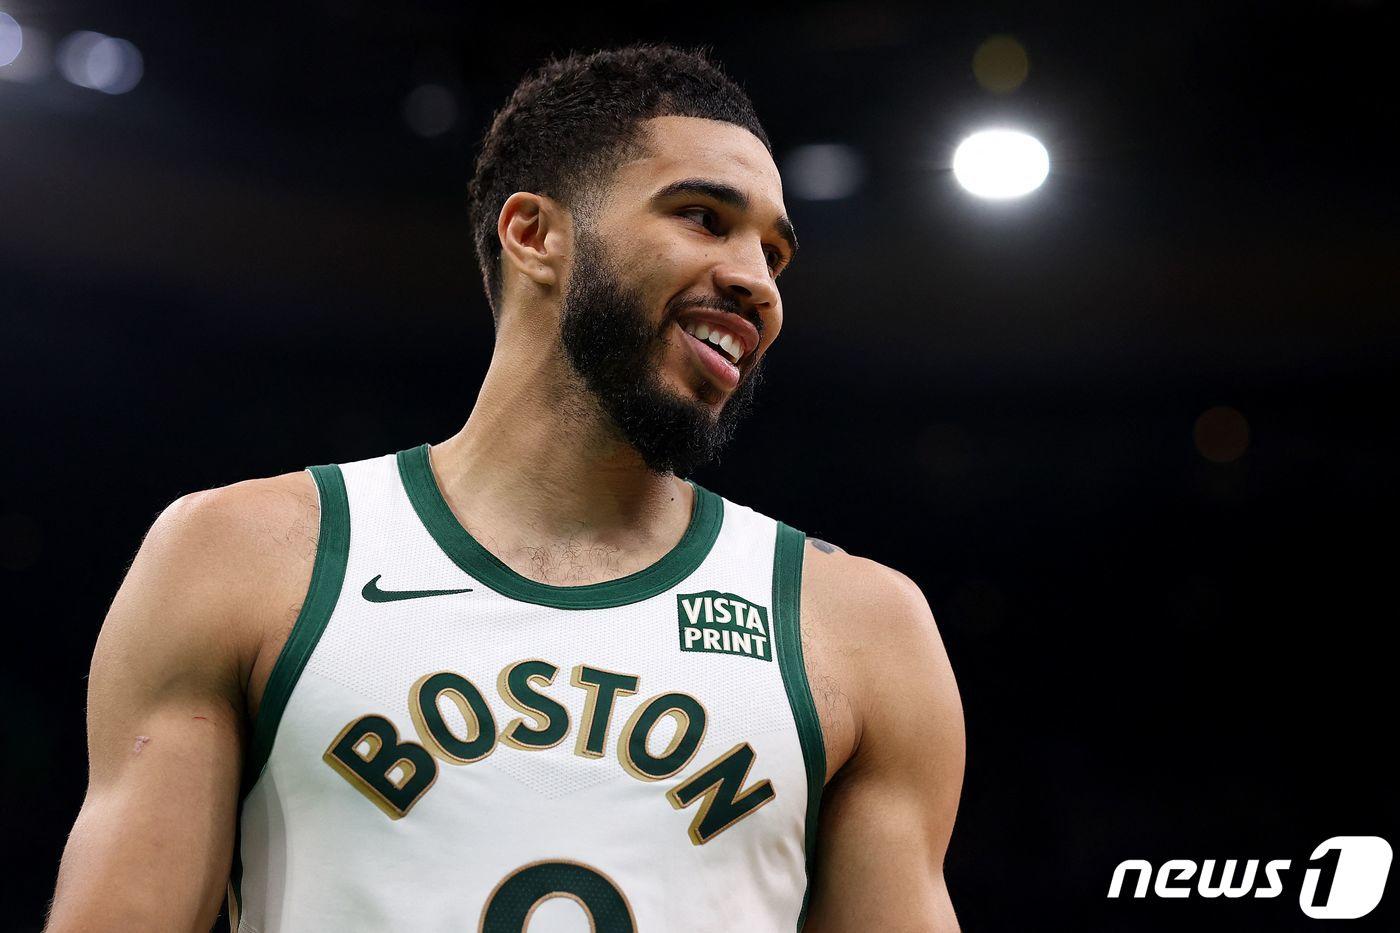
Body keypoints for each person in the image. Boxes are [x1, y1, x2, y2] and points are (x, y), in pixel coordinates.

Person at [45, 43, 964, 932]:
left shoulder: (857, 628)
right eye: (702, 217)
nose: (757, 283)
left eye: (774, 254)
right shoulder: (245, 555)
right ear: (534, 234)